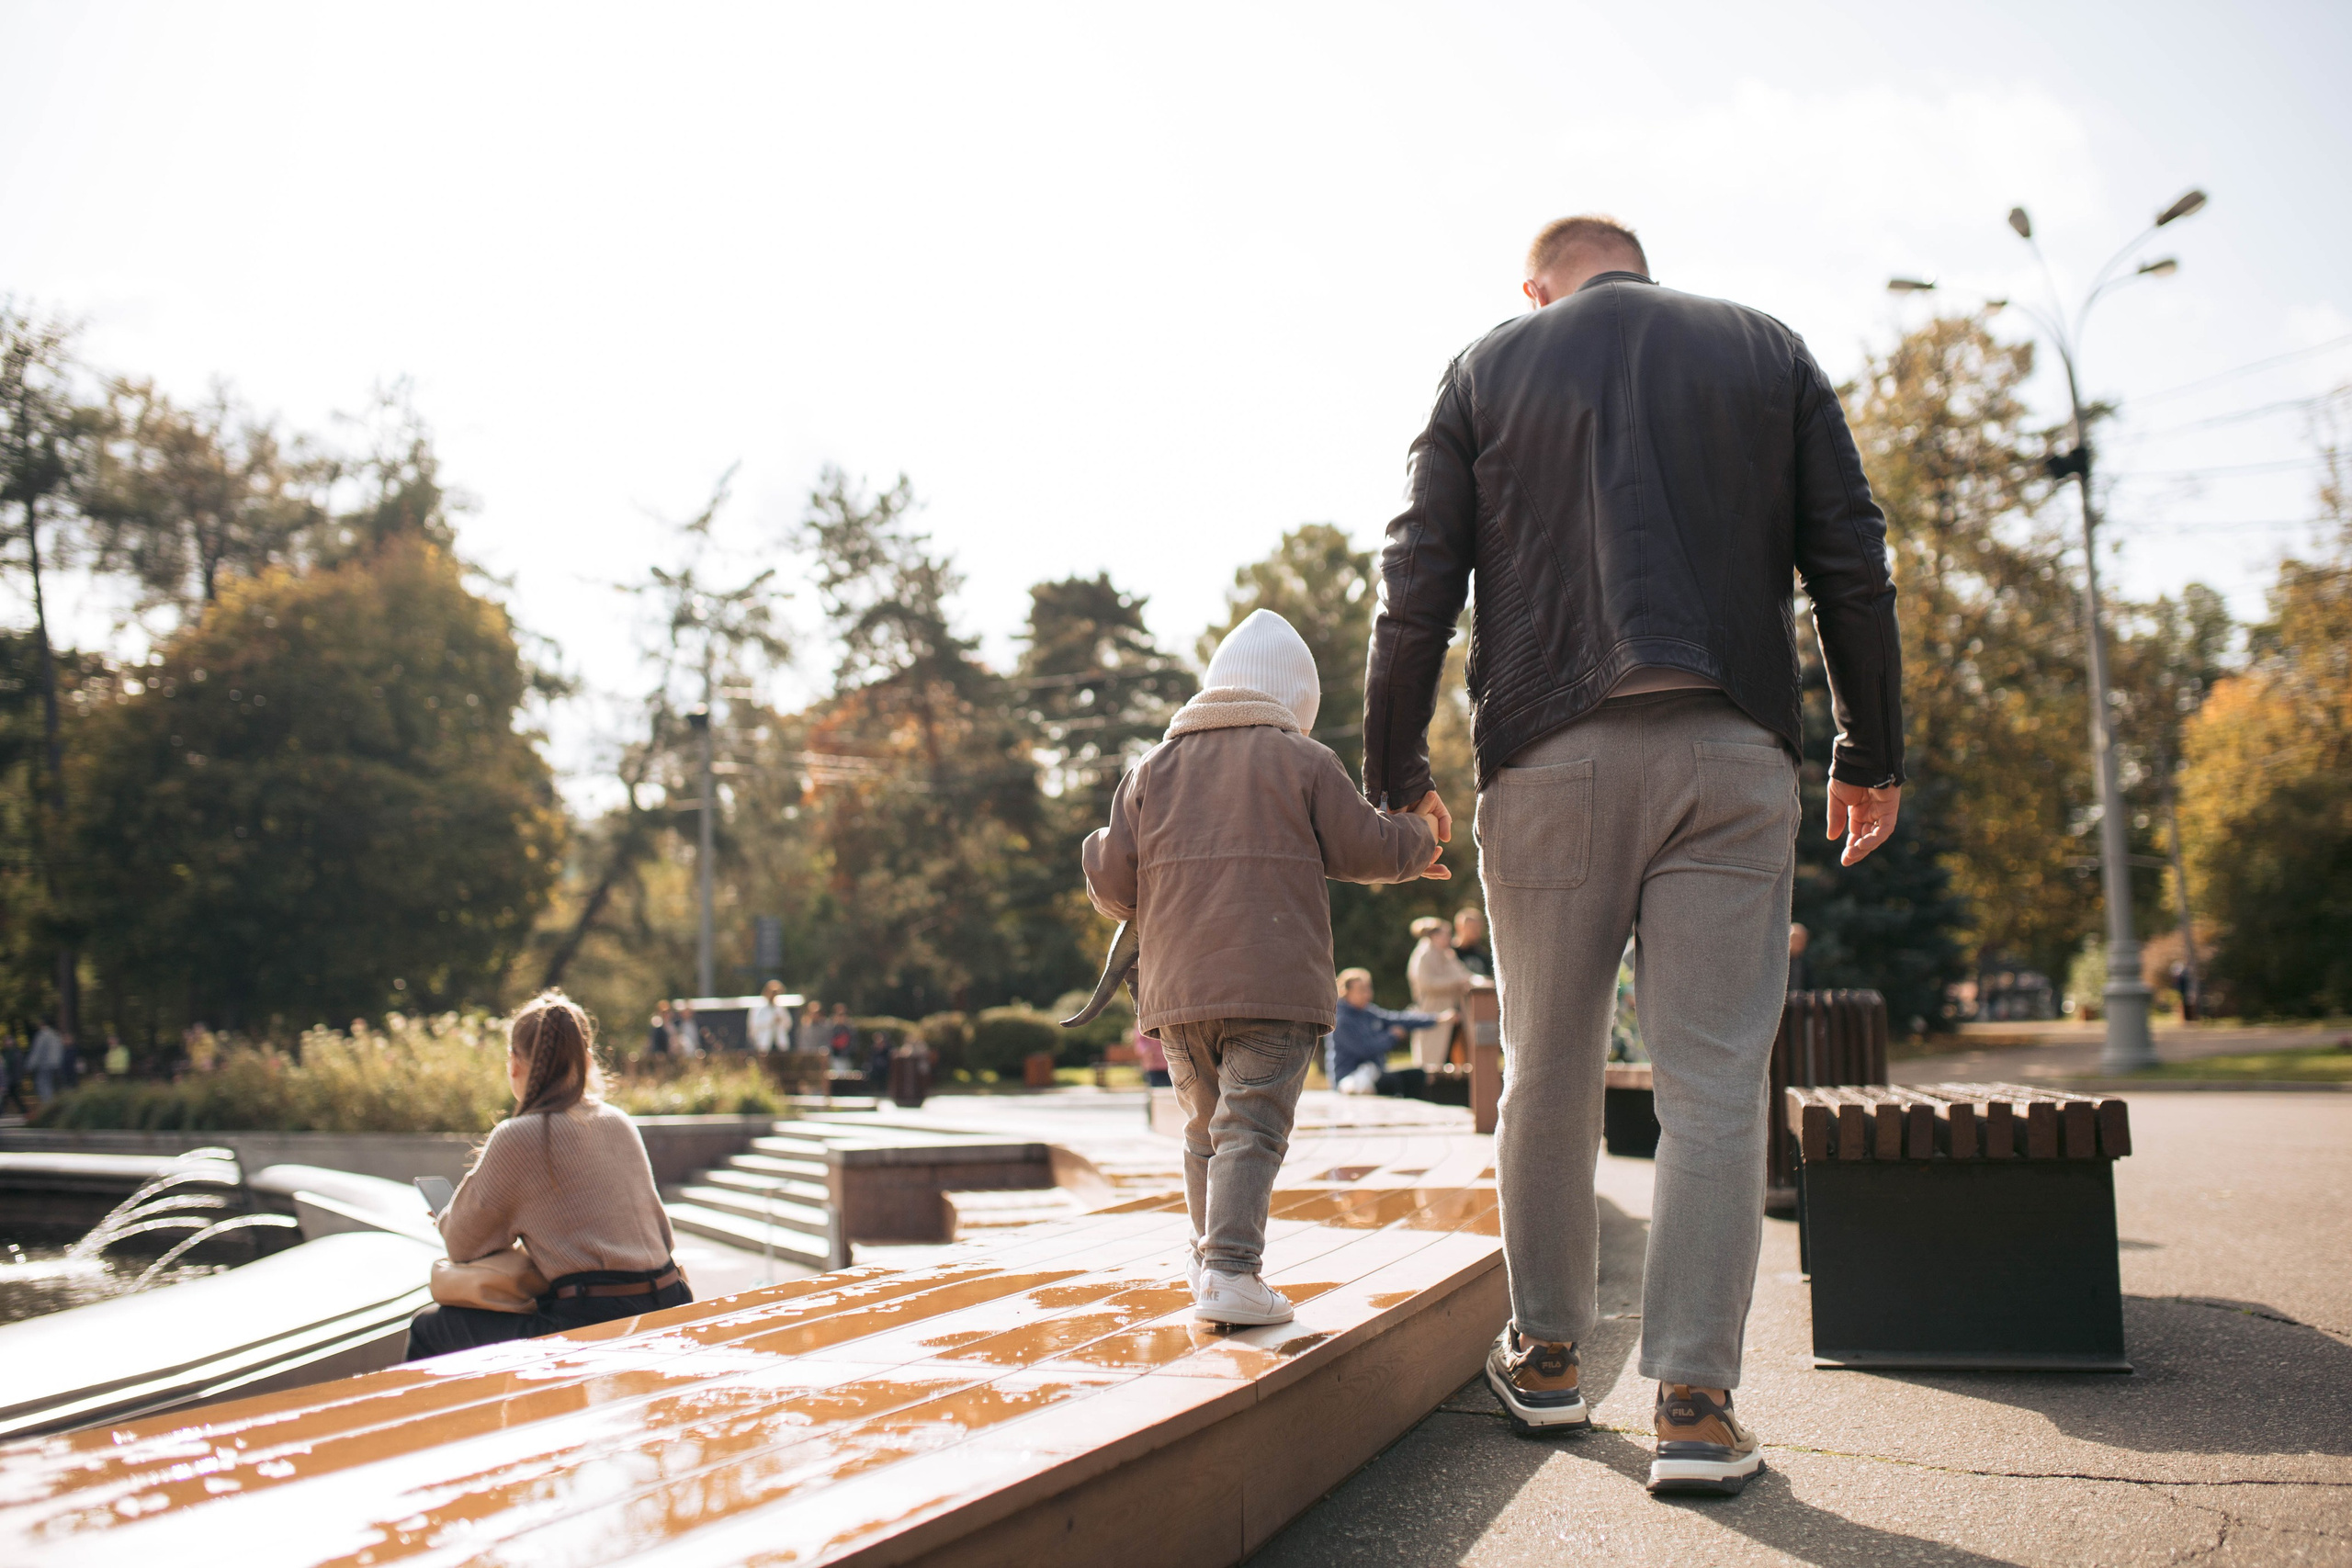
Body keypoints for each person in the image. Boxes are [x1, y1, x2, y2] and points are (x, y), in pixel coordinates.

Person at [1362, 215, 1904, 1495]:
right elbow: (1850, 555)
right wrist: (1869, 748)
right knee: (1714, 1081)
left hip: (1548, 755)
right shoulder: (1766, 349)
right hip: (1731, 749)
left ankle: (1549, 1357)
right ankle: (1696, 1408)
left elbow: (1416, 578)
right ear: (1641, 267)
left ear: (1536, 288)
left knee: (1546, 1066)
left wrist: (1395, 774)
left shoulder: (1488, 366)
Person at [1083, 609, 1442, 1328]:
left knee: (1204, 1128)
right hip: (1275, 990)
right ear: (1296, 705)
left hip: (1176, 997)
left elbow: (1115, 884)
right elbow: (1367, 846)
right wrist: (1422, 834)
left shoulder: (1149, 770)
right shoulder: (1303, 759)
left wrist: (1103, 849)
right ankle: (1231, 1268)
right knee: (1251, 1127)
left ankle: (1208, 1260)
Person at [406, 991, 691, 1359]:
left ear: (514, 1063)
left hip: (591, 1320)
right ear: (586, 1060)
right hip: (670, 1300)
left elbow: (462, 1245)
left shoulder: (519, 1135)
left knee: (430, 1327)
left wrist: (446, 1218)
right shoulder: (618, 1121)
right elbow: (660, 1235)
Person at [1328, 969, 1449, 1095]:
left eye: (1369, 989)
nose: (1367, 994)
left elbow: (1398, 1019)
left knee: (1417, 1075)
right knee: (1390, 1082)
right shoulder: (1341, 1021)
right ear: (1346, 992)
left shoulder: (1368, 1013)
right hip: (1350, 1077)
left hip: (1374, 1073)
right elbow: (1365, 1049)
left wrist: (1436, 1019)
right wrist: (1391, 1036)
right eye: (1362, 990)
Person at [1406, 916, 1474, 1068]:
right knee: (1432, 1058)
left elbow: (1463, 974)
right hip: (1432, 1011)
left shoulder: (1447, 954)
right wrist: (1456, 982)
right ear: (1435, 936)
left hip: (1454, 1012)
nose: (1449, 938)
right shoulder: (1423, 954)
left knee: (1453, 1057)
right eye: (1446, 934)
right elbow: (1426, 983)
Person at [27, 1020, 67, 1102]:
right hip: (56, 1064)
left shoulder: (42, 1035)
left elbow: (38, 1051)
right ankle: (54, 1103)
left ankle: (48, 1104)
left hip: (45, 1064)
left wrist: (30, 1065)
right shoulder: (55, 1035)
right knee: (53, 1085)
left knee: (42, 1083)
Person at [748, 981, 786, 1055]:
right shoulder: (758, 1006)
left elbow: (788, 1023)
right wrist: (771, 1021)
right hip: (763, 1044)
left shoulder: (780, 1007)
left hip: (778, 1045)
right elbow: (754, 1025)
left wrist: (780, 1021)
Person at [1453, 907, 1492, 978]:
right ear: (1460, 927)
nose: (1477, 931)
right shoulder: (1448, 953)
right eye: (1473, 928)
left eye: (1479, 927)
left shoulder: (1482, 954)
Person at [1787, 922, 1811, 993]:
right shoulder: (1779, 962)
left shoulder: (1805, 963)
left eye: (1803, 939)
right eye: (1796, 938)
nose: (1800, 942)